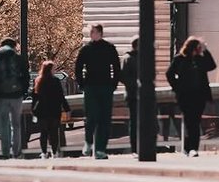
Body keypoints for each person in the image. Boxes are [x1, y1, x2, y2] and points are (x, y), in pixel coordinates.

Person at [74, 24, 121, 160]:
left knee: (104, 119)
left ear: (100, 33)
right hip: (91, 86)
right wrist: (82, 84)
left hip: (105, 86)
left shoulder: (109, 48)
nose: (91, 34)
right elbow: (78, 67)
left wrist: (113, 84)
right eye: (90, 32)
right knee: (91, 116)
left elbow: (116, 67)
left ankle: (101, 149)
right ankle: (89, 141)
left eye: (93, 32)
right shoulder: (86, 49)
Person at [166, 36, 216, 156]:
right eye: (199, 47)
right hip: (185, 95)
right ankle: (190, 148)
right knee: (190, 121)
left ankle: (191, 148)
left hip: (199, 95)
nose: (200, 49)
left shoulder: (200, 59)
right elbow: (169, 73)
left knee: (195, 121)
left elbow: (212, 65)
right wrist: (177, 87)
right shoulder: (180, 59)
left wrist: (206, 50)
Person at [0, 37, 29, 159]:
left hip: (2, 96)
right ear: (14, 46)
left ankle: (5, 153)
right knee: (16, 125)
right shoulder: (19, 59)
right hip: (17, 95)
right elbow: (26, 76)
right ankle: (16, 152)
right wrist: (23, 91)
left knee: (4, 124)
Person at [31, 59, 70, 159]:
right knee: (54, 133)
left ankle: (44, 152)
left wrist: (33, 110)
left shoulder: (38, 81)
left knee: (43, 133)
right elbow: (61, 96)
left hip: (42, 110)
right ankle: (54, 152)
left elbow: (34, 97)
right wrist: (66, 108)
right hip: (54, 110)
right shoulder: (55, 81)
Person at [121, 37, 139, 154]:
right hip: (134, 94)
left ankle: (136, 148)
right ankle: (135, 147)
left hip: (133, 93)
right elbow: (123, 76)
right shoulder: (129, 58)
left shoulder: (127, 58)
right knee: (135, 122)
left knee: (135, 122)